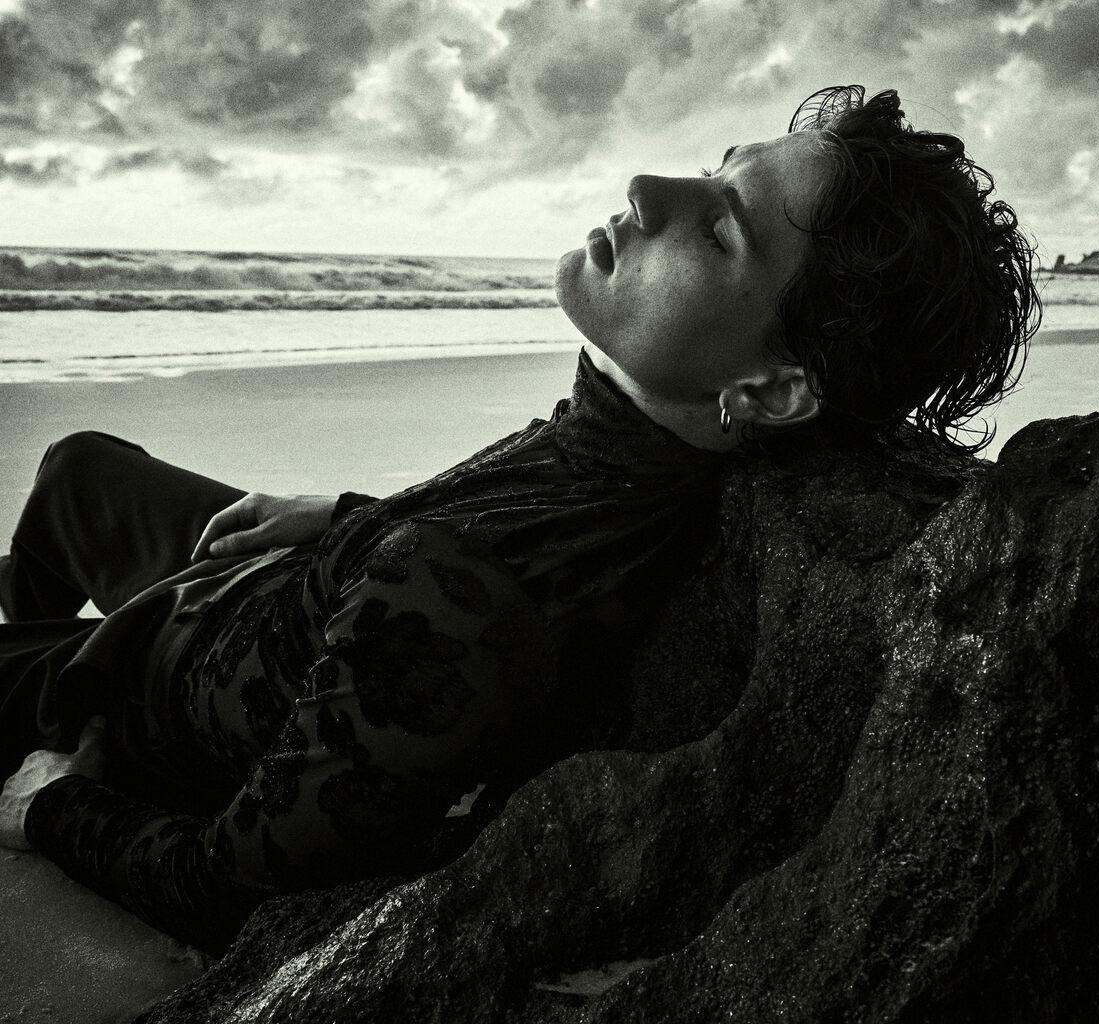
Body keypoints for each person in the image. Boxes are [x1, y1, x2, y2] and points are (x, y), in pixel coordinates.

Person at [0, 85, 1039, 955]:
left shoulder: (475, 600)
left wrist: (51, 805)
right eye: (713, 169)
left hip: (149, 691)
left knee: (40, 639)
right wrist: (354, 519)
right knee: (78, 468)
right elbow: (476, 527)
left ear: (769, 392)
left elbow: (229, 885)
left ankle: (39, 678)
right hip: (263, 594)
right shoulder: (626, 438)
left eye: (718, 227)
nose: (646, 188)